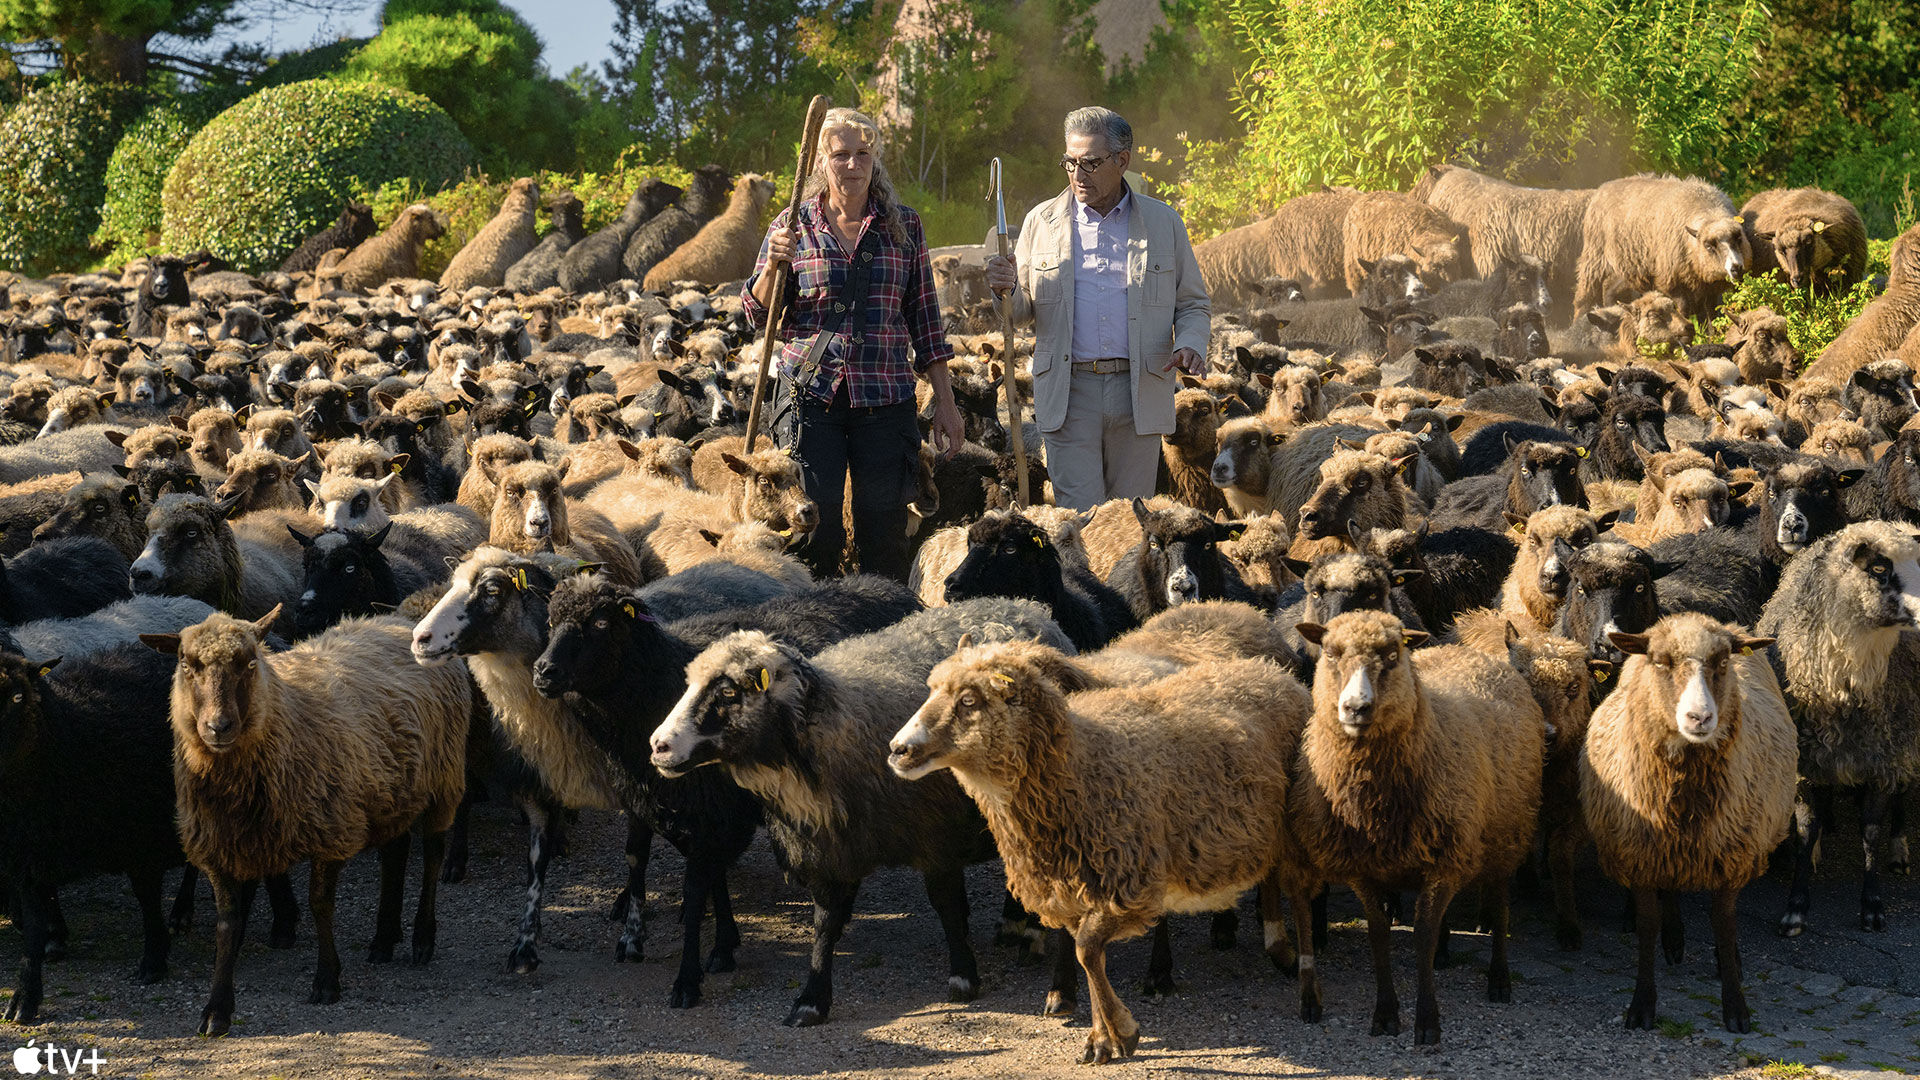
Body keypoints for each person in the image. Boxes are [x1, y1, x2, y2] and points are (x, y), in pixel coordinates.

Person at [744, 107, 965, 580]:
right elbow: (757, 315)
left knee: (884, 528)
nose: (851, 164)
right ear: (821, 160)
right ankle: (814, 631)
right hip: (810, 397)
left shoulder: (903, 226)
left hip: (885, 396)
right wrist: (771, 267)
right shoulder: (791, 226)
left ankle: (885, 626)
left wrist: (945, 403)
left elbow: (925, 320)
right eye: (840, 154)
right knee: (812, 525)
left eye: (862, 153)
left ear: (876, 158)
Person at [984, 106, 1212, 510]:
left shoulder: (1164, 224)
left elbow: (1192, 303)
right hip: (1069, 395)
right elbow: (1019, 313)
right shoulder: (1041, 223)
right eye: (1069, 163)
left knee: (1130, 517)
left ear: (1122, 160)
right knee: (1080, 517)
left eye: (1090, 163)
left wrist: (1192, 342)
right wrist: (1006, 288)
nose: (1077, 174)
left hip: (1140, 389)